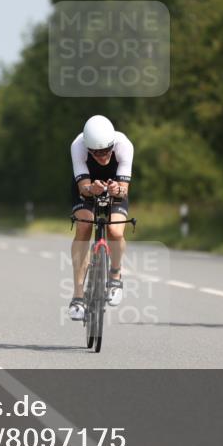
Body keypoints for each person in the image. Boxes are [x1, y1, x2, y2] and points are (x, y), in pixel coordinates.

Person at [68, 115, 134, 321]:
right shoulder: (78, 145)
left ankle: (115, 276)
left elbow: (124, 190)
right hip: (87, 188)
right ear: (88, 148)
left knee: (115, 230)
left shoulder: (124, 145)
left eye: (107, 151)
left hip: (115, 188)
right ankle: (78, 295)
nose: (103, 156)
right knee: (84, 227)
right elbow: (82, 188)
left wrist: (117, 189)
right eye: (97, 153)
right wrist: (91, 188)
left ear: (112, 144)